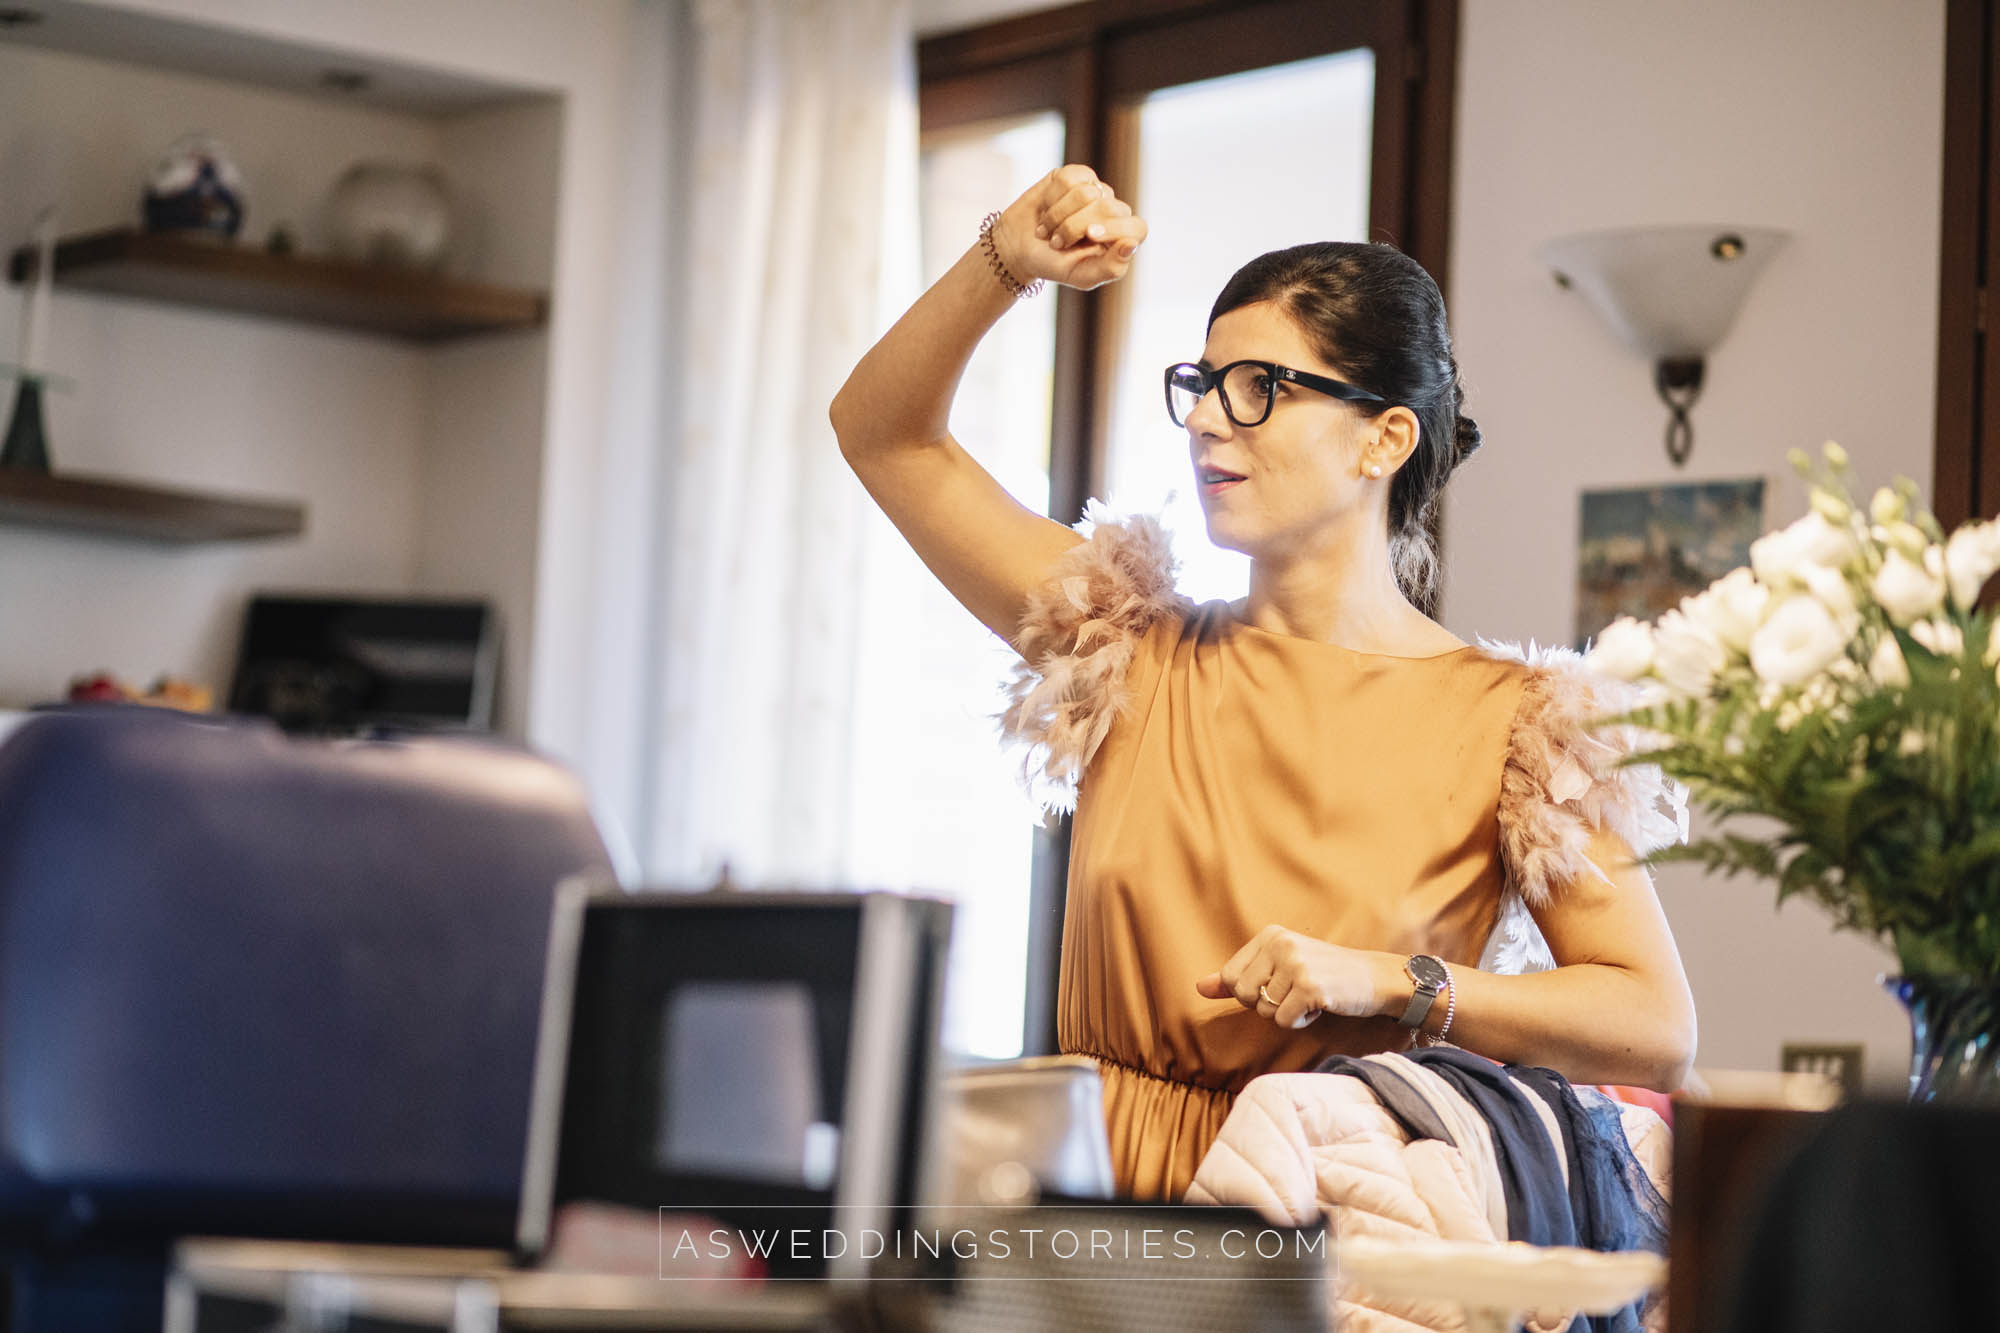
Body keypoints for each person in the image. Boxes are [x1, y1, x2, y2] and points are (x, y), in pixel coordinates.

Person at [830, 164, 1696, 1202]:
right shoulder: (1125, 642)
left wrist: (1397, 984)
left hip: (1330, 1232)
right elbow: (882, 434)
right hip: (1085, 1218)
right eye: (1199, 383)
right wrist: (1004, 261)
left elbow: (1654, 1027)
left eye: (1258, 388)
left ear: (1383, 437)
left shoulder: (1518, 726)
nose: (1203, 420)